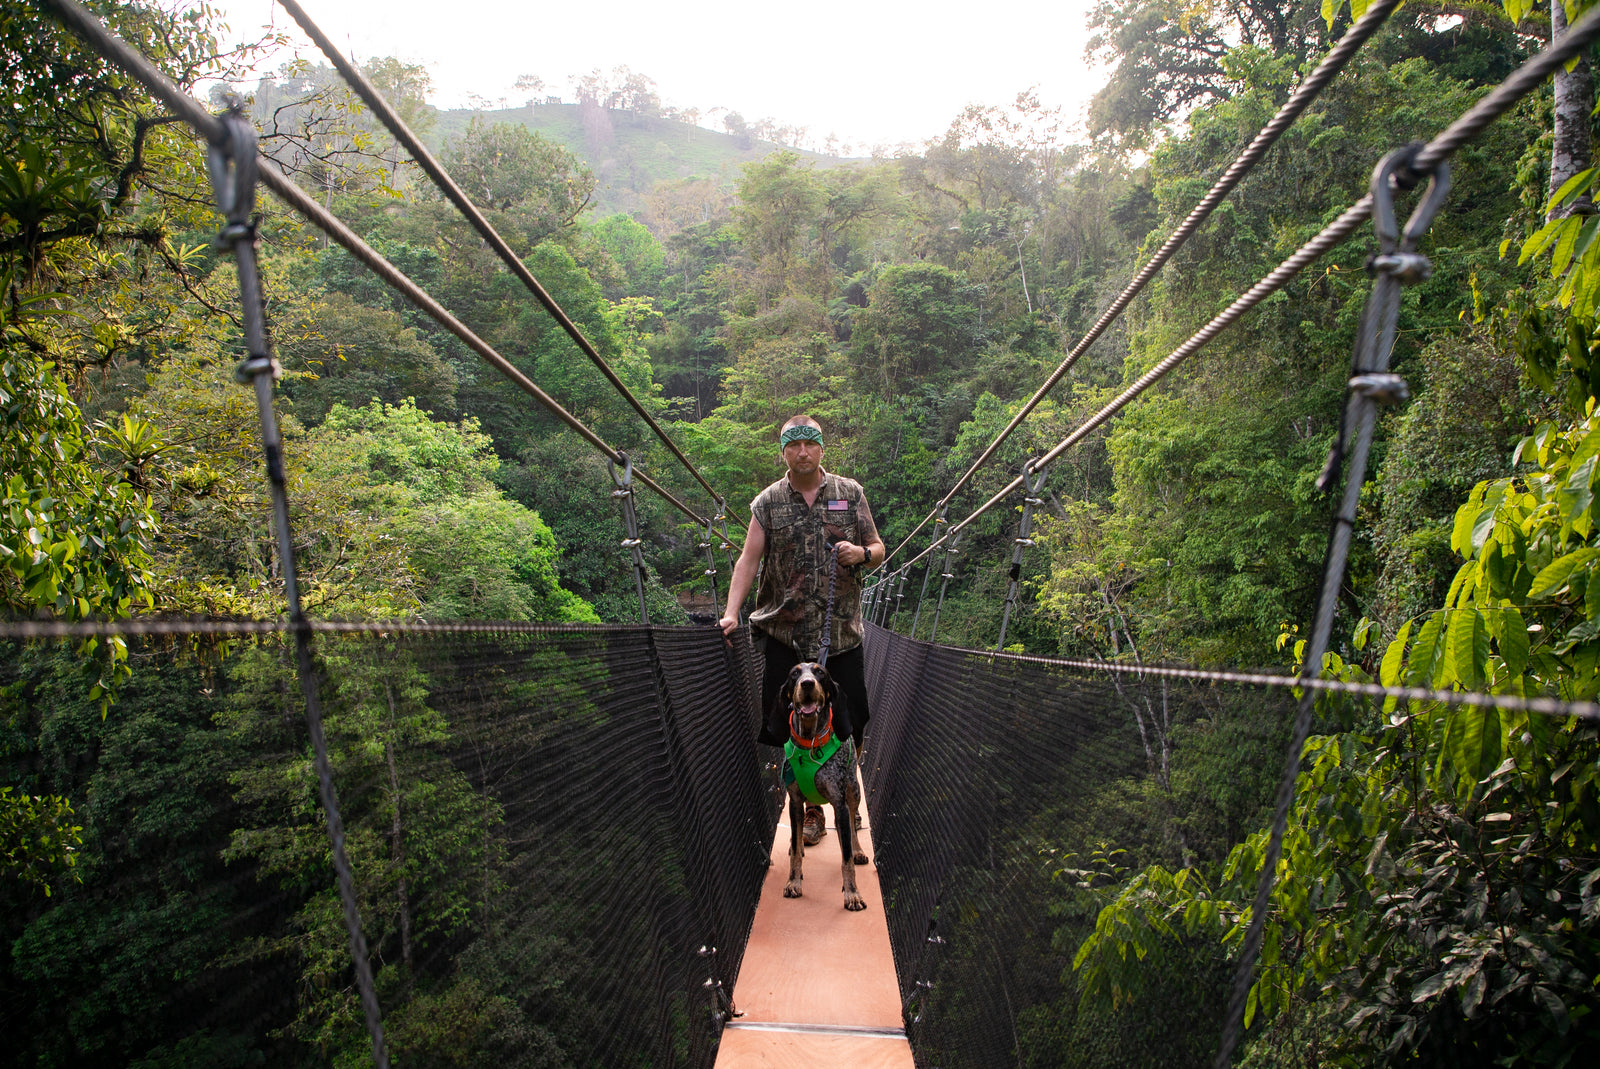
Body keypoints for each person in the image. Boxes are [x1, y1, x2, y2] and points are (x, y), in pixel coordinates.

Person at [719, 415, 885, 846]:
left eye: (810, 443)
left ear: (822, 449)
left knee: (853, 723)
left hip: (841, 632)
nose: (803, 452)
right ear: (784, 452)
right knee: (786, 722)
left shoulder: (850, 494)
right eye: (794, 446)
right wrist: (732, 612)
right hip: (787, 635)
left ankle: (845, 789)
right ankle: (812, 807)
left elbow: (879, 549)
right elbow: (748, 561)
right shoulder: (768, 502)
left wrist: (861, 553)